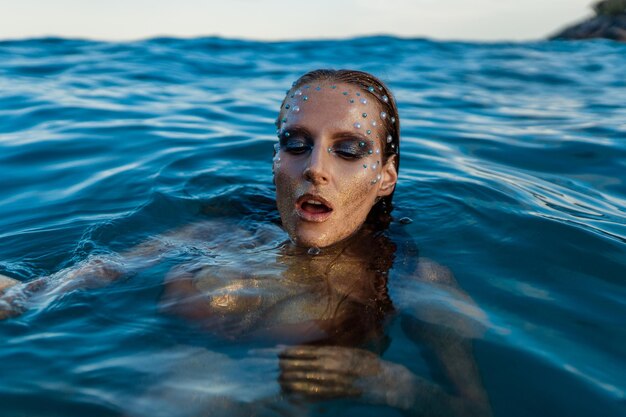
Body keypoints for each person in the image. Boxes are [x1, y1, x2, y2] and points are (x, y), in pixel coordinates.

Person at [0, 69, 491, 416]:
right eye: (295, 144)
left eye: (348, 150)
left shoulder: (416, 280)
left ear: (385, 177)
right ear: (276, 160)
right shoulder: (220, 233)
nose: (314, 168)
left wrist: (394, 386)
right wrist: (22, 295)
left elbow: (472, 410)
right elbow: (102, 269)